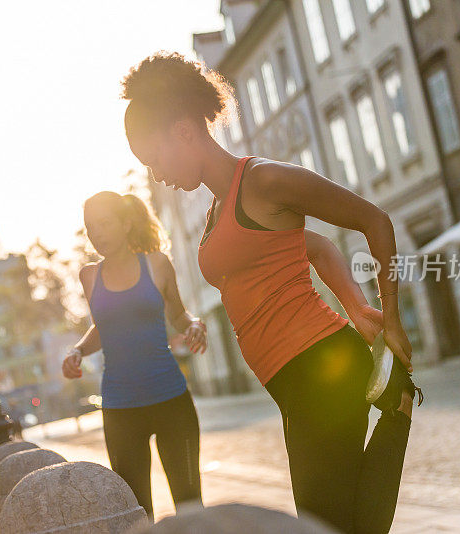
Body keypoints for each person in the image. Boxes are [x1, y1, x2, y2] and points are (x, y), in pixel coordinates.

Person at [121, 52, 422, 534]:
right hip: (293, 386)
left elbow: (374, 221)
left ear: (182, 130)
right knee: (340, 525)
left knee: (327, 526)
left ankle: (399, 410)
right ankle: (399, 408)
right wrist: (353, 303)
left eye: (153, 159)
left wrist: (390, 320)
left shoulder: (264, 180)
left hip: (321, 369)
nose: (156, 174)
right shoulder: (217, 211)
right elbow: (316, 247)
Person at [62, 191, 206, 520]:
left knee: (190, 508)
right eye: (89, 228)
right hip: (120, 409)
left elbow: (179, 316)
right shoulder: (89, 275)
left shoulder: (156, 263)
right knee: (135, 514)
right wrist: (78, 350)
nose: (96, 233)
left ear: (126, 223)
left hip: (171, 401)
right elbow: (103, 326)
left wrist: (195, 325)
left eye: (104, 223)